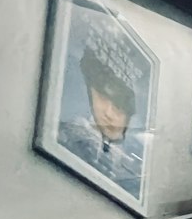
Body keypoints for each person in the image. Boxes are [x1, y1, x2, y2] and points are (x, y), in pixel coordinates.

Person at [58, 45, 147, 199]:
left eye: (119, 107)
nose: (108, 113)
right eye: (103, 98)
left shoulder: (134, 168)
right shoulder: (71, 134)